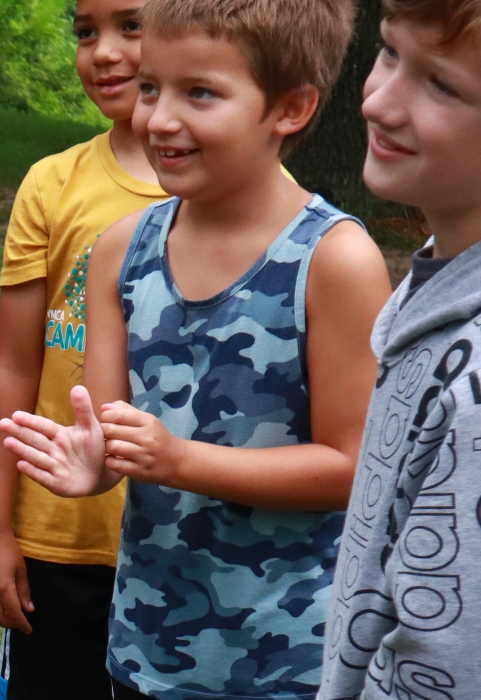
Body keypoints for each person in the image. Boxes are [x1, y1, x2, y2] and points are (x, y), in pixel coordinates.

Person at [0, 1, 394, 698]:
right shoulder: (121, 250)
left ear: (291, 108)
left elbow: (354, 467)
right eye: (151, 88)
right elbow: (112, 429)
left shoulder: (333, 261)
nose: (159, 119)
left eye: (199, 92)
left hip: (290, 663)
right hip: (145, 653)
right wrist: (92, 462)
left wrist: (179, 461)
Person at [0, 0, 161, 697]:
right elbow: (15, 363)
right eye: (86, 31)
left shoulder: (254, 199)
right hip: (59, 536)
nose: (104, 51)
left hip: (181, 549)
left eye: (130, 25)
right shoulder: (53, 184)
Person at [317, 1, 481, 697]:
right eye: (388, 52)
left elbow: (444, 656)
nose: (379, 101)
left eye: (440, 84)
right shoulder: (437, 280)